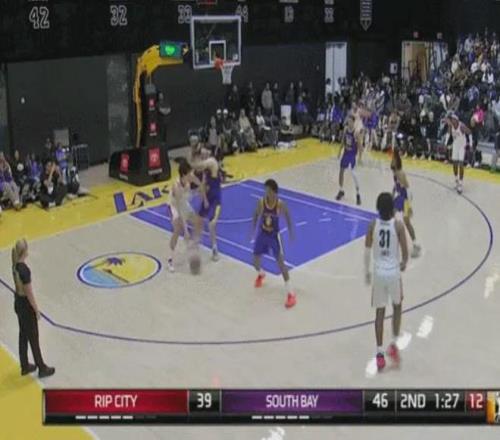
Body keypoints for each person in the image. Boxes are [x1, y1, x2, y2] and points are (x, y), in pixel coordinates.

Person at [364, 193, 409, 371]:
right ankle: (394, 344)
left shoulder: (372, 225)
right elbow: (405, 253)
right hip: (393, 274)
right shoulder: (398, 225)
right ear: (392, 208)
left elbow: (367, 251)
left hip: (379, 274)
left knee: (379, 313)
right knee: (397, 307)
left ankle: (379, 353)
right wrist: (403, 263)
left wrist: (367, 272)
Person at [11, 239, 55, 378]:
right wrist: (36, 310)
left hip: (18, 302)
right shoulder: (24, 270)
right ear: (25, 251)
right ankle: (41, 367)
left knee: (23, 334)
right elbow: (29, 293)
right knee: (33, 337)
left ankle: (24, 365)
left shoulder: (15, 266)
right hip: (25, 305)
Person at [252, 179, 296, 309]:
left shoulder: (280, 204)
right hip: (262, 234)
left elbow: (287, 216)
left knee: (281, 264)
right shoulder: (261, 202)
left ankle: (291, 294)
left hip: (273, 236)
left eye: (269, 191)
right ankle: (261, 274)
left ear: (274, 192)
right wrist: (253, 230)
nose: (266, 193)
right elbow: (255, 215)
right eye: (265, 190)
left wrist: (291, 232)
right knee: (255, 263)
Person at [167, 160, 205, 272]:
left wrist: (202, 187)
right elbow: (180, 210)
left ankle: (194, 244)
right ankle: (170, 258)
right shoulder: (177, 187)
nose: (191, 175)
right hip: (174, 206)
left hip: (183, 203)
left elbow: (199, 183)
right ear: (184, 175)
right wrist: (186, 231)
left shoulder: (190, 177)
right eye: (189, 173)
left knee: (199, 221)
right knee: (177, 229)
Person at [192, 150, 222, 262]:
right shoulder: (205, 172)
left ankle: (215, 249)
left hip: (216, 200)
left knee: (211, 224)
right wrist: (204, 199)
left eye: (205, 154)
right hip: (208, 198)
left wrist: (191, 159)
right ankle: (195, 244)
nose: (203, 155)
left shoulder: (212, 162)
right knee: (198, 220)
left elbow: (198, 165)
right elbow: (203, 185)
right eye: (202, 154)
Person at [391, 150, 421, 258]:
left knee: (407, 222)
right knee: (392, 215)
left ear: (397, 162)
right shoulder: (395, 173)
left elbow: (408, 189)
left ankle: (416, 244)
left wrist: (409, 206)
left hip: (405, 197)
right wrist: (392, 194)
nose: (392, 161)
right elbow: (396, 185)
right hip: (400, 196)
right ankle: (395, 239)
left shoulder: (400, 173)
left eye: (394, 160)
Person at [336, 114, 361, 205]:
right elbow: (343, 141)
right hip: (346, 154)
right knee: (341, 171)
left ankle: (358, 194)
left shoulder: (356, 132)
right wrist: (339, 151)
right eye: (348, 121)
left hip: (352, 155)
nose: (349, 122)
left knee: (354, 175)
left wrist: (360, 158)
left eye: (350, 121)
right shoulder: (346, 129)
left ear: (353, 122)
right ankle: (341, 190)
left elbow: (360, 146)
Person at [445, 113, 471, 194]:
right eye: (450, 119)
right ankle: (456, 179)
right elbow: (448, 134)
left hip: (462, 146)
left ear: (455, 120)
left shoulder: (461, 126)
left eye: (452, 119)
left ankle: (460, 183)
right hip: (455, 146)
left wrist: (470, 144)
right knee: (455, 164)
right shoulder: (450, 126)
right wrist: (446, 144)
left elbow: (469, 132)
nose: (450, 121)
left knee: (461, 164)